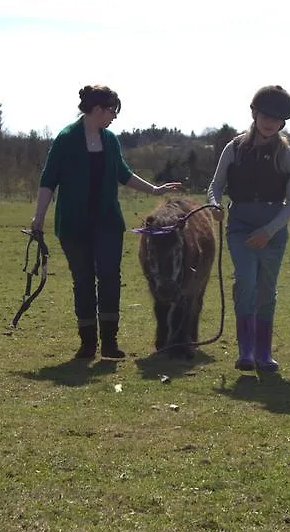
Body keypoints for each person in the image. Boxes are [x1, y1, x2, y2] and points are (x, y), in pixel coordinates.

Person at [30, 85, 183, 359]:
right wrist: (38, 217)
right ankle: (87, 344)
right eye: (112, 111)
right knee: (83, 280)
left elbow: (123, 174)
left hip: (107, 224)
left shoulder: (111, 140)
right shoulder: (65, 140)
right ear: (97, 110)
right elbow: (48, 180)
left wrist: (155, 190)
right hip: (74, 225)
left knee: (110, 278)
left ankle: (109, 343)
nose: (114, 117)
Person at [207, 85, 290, 373]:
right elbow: (216, 185)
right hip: (241, 226)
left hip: (273, 227)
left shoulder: (287, 154)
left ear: (282, 122)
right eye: (265, 115)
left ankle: (264, 352)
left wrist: (270, 231)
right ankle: (245, 351)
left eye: (276, 118)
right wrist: (214, 204)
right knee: (246, 280)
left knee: (266, 289)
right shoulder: (234, 148)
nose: (269, 122)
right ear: (254, 114)